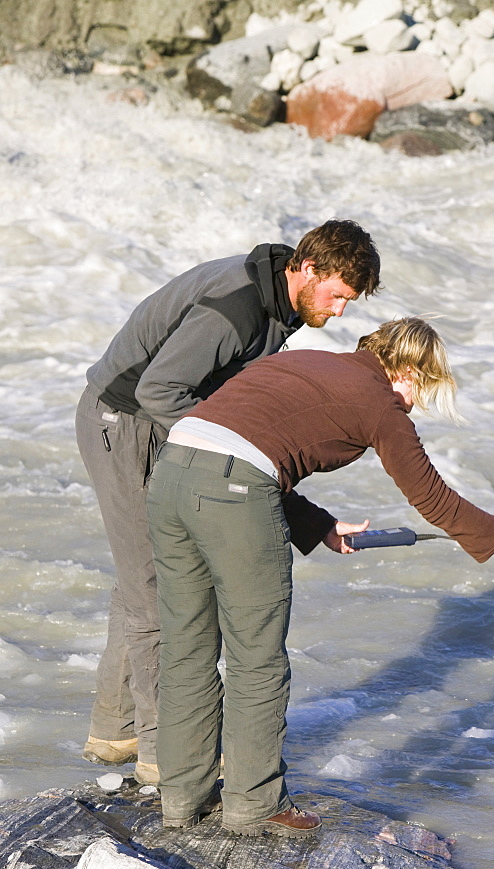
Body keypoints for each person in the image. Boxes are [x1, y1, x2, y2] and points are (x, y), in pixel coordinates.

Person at [146, 317, 494, 835]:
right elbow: (432, 497)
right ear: (406, 369)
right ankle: (254, 805)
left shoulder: (305, 361)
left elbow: (246, 445)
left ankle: (181, 801)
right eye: (419, 388)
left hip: (171, 472)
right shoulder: (380, 400)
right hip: (235, 495)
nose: (412, 403)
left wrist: (321, 526)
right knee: (256, 657)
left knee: (187, 648)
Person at [76, 219, 381, 784]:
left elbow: (238, 435)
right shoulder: (238, 307)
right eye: (338, 295)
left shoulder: (278, 304)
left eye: (350, 302)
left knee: (140, 579)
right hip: (125, 423)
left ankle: (115, 729)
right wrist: (217, 444)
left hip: (151, 423)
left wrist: (312, 525)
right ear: (308, 269)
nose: (340, 312)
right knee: (156, 590)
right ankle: (165, 755)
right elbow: (159, 391)